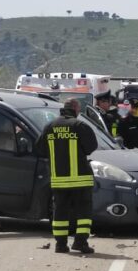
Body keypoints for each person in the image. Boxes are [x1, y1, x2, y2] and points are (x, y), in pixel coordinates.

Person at [35, 99, 99, 254]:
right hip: (80, 179)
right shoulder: (79, 126)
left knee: (60, 212)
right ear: (76, 109)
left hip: (59, 179)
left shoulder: (49, 127)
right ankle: (80, 243)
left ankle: (60, 245)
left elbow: (40, 149)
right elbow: (92, 147)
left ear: (64, 109)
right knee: (83, 212)